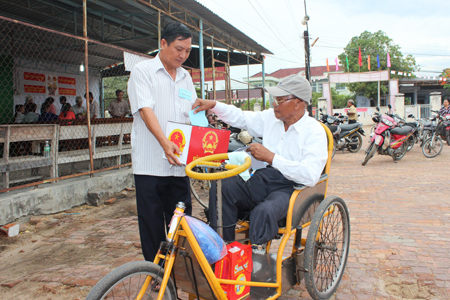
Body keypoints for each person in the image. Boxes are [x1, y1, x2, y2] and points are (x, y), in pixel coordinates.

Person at [192, 73, 328, 244]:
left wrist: (271, 158)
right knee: (222, 188)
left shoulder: (314, 131)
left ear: (298, 103)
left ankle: (254, 254)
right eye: (275, 99)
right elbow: (241, 117)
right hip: (264, 179)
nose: (274, 104)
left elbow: (309, 175)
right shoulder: (271, 118)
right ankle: (222, 248)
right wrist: (213, 105)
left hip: (291, 188)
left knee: (264, 211)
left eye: (280, 100)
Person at [127, 22, 195, 261]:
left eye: (187, 51)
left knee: (181, 221)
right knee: (152, 223)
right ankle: (156, 272)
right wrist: (165, 142)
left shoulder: (186, 77)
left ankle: (178, 271)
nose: (183, 55)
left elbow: (193, 114)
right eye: (178, 49)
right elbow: (146, 110)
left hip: (179, 165)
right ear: (163, 43)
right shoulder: (143, 71)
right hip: (151, 164)